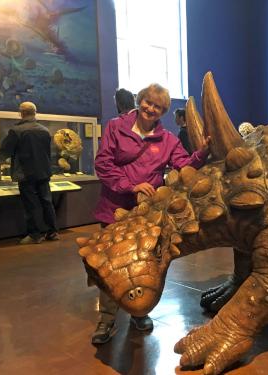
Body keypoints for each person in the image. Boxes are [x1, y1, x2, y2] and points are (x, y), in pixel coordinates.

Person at [91, 83, 210, 344]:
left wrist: (202, 153)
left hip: (148, 215)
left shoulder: (168, 140)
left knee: (144, 264)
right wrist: (129, 186)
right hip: (114, 209)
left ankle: (140, 312)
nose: (150, 108)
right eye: (148, 102)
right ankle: (107, 319)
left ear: (163, 112)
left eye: (157, 106)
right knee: (111, 264)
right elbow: (103, 163)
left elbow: (183, 165)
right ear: (140, 100)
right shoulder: (115, 127)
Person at [0, 102, 59, 244]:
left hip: (25, 174)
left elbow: (3, 153)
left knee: (31, 205)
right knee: (46, 202)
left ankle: (35, 235)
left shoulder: (16, 131)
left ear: (21, 113)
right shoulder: (45, 130)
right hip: (43, 172)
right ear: (35, 112)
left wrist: (0, 157)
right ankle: (53, 231)